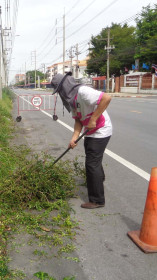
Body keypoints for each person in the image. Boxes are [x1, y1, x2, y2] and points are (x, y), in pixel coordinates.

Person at [51, 72, 112, 209]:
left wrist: (94, 119)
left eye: (59, 89)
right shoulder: (71, 100)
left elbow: (106, 98)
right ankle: (99, 179)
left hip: (101, 129)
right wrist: (74, 138)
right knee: (93, 159)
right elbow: (78, 120)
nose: (60, 93)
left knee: (91, 163)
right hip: (90, 131)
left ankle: (97, 200)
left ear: (65, 85)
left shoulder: (83, 91)